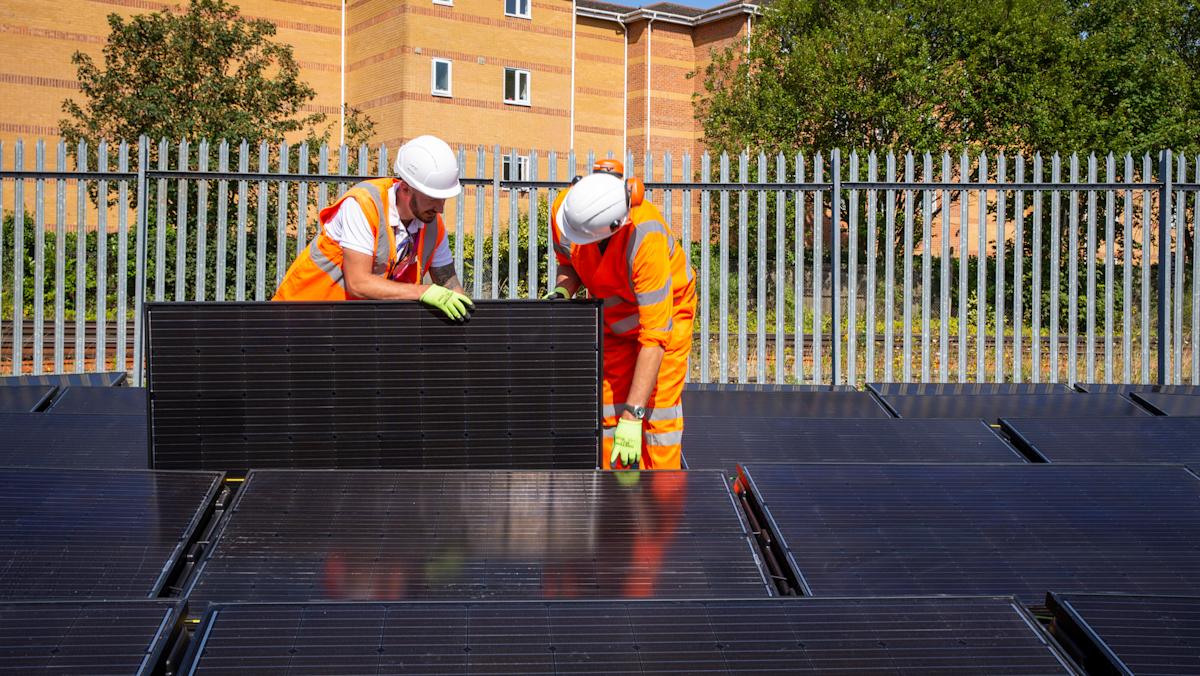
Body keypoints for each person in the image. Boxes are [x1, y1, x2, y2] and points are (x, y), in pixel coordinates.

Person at [546, 168, 696, 470]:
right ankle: (613, 488)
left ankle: (663, 489)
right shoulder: (568, 210)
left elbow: (654, 338)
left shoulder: (645, 238)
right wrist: (562, 291)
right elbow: (569, 263)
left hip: (665, 317)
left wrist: (634, 415)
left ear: (614, 228)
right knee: (609, 405)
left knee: (658, 410)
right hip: (613, 319)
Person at [273, 135, 474, 321]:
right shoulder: (363, 205)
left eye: (444, 199)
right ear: (405, 189)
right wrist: (423, 291)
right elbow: (358, 283)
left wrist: (465, 316)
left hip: (345, 327)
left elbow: (449, 283)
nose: (440, 208)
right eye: (432, 198)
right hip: (296, 320)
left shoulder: (432, 225)